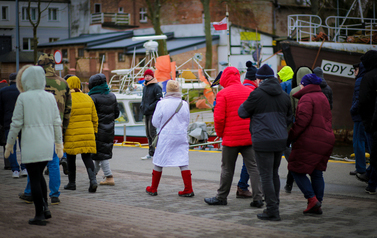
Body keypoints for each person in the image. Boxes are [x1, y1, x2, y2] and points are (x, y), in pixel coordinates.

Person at [4, 65, 63, 225]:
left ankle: (39, 214)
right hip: (47, 143)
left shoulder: (23, 97)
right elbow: (57, 122)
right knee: (40, 176)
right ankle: (45, 208)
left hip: (30, 143)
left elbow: (15, 123)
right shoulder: (50, 97)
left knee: (35, 178)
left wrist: (9, 144)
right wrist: (59, 143)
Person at [238, 64, 292, 221]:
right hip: (280, 140)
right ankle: (275, 205)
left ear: (259, 79)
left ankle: (272, 210)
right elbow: (289, 118)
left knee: (266, 176)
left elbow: (242, 112)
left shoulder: (257, 94)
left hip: (263, 140)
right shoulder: (284, 95)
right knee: (274, 173)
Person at [204, 66, 263, 207]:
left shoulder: (223, 94)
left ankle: (221, 197)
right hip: (249, 137)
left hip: (230, 138)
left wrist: (220, 134)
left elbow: (218, 119)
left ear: (225, 78)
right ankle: (258, 198)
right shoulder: (249, 91)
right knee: (254, 168)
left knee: (227, 168)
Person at [19, 53, 71, 205]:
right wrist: (64, 129)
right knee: (54, 163)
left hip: (35, 129)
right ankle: (54, 195)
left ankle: (30, 192)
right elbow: (68, 109)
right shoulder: (63, 83)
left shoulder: (32, 85)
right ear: (52, 66)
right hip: (56, 129)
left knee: (33, 162)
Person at [287, 73, 335, 215]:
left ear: (305, 84)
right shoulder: (322, 97)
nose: (300, 86)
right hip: (326, 139)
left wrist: (290, 137)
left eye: (301, 84)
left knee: (295, 168)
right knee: (317, 172)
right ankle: (317, 204)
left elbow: (302, 121)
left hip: (311, 139)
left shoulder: (307, 98)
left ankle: (312, 199)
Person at [145, 80, 194, 197]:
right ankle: (188, 189)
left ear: (167, 90)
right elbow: (187, 121)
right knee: (183, 161)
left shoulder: (162, 103)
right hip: (180, 135)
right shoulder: (184, 104)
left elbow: (155, 122)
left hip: (166, 135)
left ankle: (153, 188)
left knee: (159, 161)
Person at [63, 75, 98, 193]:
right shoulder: (88, 98)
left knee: (71, 158)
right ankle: (93, 180)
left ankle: (72, 183)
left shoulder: (66, 99)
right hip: (87, 133)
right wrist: (94, 131)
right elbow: (95, 118)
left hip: (71, 134)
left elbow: (63, 118)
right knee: (87, 157)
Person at [88, 73, 119, 186]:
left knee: (101, 154)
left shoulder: (92, 97)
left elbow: (90, 115)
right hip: (109, 129)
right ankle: (93, 175)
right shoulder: (112, 96)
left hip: (96, 129)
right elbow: (117, 113)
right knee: (99, 153)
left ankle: (109, 176)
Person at [236, 61, 258, 198]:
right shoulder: (253, 92)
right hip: (249, 131)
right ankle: (242, 186)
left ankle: (241, 186)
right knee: (250, 162)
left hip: (236, 130)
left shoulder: (240, 88)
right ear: (255, 79)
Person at [357, 50, 377, 194]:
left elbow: (363, 101)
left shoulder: (368, 77)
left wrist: (366, 121)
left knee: (374, 153)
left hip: (372, 122)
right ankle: (369, 174)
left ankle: (371, 183)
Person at [0, 73, 27, 177]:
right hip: (22, 122)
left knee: (11, 146)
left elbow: (0, 109)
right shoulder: (23, 92)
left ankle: (15, 170)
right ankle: (24, 168)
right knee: (23, 145)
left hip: (9, 122)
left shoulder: (2, 91)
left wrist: (3, 122)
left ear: (9, 80)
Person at [349, 62, 372, 176]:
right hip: (367, 116)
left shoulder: (359, 81)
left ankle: (360, 168)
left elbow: (358, 100)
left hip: (359, 117)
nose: (354, 72)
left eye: (356, 70)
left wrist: (352, 110)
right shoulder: (368, 79)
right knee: (367, 142)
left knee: (358, 142)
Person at [277, 66, 295, 193]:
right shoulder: (296, 84)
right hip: (296, 122)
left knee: (285, 148)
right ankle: (295, 171)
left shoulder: (283, 85)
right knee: (295, 149)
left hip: (285, 122)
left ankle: (292, 169)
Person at [140, 69, 162, 160]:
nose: (147, 77)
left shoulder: (156, 87)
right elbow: (143, 99)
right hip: (146, 113)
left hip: (153, 113)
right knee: (148, 134)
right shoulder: (145, 87)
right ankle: (151, 153)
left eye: (149, 75)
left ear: (152, 76)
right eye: (146, 76)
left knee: (152, 133)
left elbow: (159, 100)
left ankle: (157, 152)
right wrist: (142, 106)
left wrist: (149, 107)